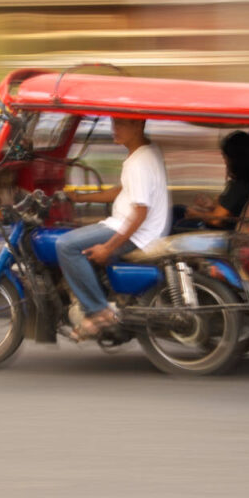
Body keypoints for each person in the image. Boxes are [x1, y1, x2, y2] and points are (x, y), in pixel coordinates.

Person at [56, 116, 170, 341]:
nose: (113, 129)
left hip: (139, 232)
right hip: (134, 226)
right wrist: (78, 197)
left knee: (66, 245)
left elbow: (140, 213)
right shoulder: (145, 151)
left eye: (120, 124)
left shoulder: (139, 163)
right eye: (113, 123)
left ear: (138, 125)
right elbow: (122, 190)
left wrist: (108, 248)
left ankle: (98, 311)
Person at [172, 130, 249, 231]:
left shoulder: (240, 186)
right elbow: (227, 211)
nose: (225, 163)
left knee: (176, 216)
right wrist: (211, 206)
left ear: (235, 159)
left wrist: (195, 214)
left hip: (223, 233)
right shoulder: (246, 182)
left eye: (225, 158)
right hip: (225, 227)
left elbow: (216, 220)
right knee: (178, 210)